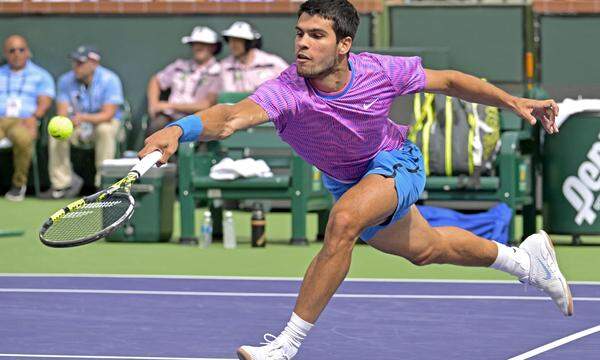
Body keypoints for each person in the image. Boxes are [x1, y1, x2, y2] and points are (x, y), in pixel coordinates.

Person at [139, 1, 571, 359]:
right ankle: (527, 262)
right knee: (427, 249)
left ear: (344, 44)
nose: (303, 44)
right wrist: (178, 130)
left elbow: (452, 81)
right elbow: (229, 117)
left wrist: (514, 101)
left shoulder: (378, 72)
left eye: (316, 35)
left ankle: (285, 347)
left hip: (395, 163)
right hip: (348, 181)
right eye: (299, 33)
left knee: (343, 223)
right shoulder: (287, 90)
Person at [41, 45, 124, 198]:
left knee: (104, 129)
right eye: (74, 62)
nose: (76, 67)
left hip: (104, 124)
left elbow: (108, 114)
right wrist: (68, 121)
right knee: (56, 132)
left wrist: (84, 118)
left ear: (94, 63)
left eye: (80, 63)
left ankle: (104, 184)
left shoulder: (110, 79)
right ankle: (62, 185)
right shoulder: (65, 80)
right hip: (77, 126)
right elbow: (62, 113)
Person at [0, 35, 54, 201]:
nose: (17, 54)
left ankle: (18, 185)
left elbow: (45, 101)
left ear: (28, 52)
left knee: (23, 139)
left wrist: (35, 117)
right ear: (6, 53)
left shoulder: (41, 75)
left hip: (23, 120)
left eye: (21, 50)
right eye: (12, 50)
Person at [146, 26, 222, 136]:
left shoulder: (218, 71)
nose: (198, 47)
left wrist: (169, 105)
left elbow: (207, 104)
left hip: (199, 120)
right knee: (156, 128)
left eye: (204, 44)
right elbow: (156, 80)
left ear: (213, 47)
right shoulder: (180, 65)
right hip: (169, 118)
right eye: (195, 43)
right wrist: (153, 104)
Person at [220, 21, 289, 93]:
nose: (232, 45)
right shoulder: (224, 65)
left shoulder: (272, 62)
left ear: (249, 43)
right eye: (230, 40)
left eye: (238, 41)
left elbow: (294, 82)